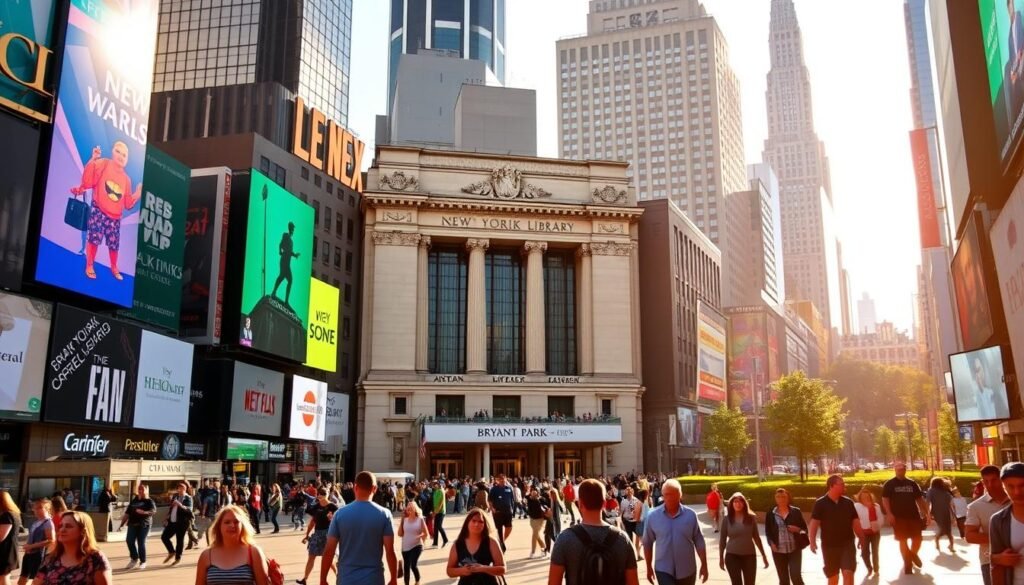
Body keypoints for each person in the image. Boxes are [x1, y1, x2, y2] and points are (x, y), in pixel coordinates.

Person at [70, 142, 142, 281]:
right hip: (99, 211)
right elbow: (88, 182)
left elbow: (127, 204)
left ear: (127, 160)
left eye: (124, 155)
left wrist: (138, 193)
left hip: (115, 218)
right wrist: (93, 159)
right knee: (93, 239)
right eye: (118, 151)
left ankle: (114, 267)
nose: (121, 156)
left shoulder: (127, 179)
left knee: (114, 245)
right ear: (112, 151)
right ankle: (89, 265)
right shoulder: (103, 164)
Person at [548, 478, 639, 585]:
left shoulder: (565, 539)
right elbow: (633, 582)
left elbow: (553, 582)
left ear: (580, 504)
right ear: (604, 504)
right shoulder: (623, 539)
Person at [320, 471, 398, 585]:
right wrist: (393, 578)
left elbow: (329, 551)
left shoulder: (339, 514)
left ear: (355, 487)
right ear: (374, 489)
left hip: (346, 579)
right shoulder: (384, 514)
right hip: (374, 579)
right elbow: (390, 551)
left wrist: (323, 579)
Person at [642, 478, 709, 585]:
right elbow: (647, 543)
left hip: (687, 569)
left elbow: (699, 540)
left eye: (674, 494)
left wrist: (704, 564)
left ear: (680, 495)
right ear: (662, 496)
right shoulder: (653, 517)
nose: (670, 498)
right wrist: (648, 567)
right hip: (663, 569)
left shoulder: (690, 515)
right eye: (667, 494)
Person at [195, 504, 270, 585]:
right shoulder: (206, 555)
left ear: (243, 525)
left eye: (236, 522)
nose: (232, 525)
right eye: (227, 522)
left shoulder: (254, 552)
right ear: (219, 527)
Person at [808, 475, 864, 585]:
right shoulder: (820, 503)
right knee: (833, 577)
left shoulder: (848, 503)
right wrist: (812, 541)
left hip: (847, 544)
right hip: (829, 546)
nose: (844, 486)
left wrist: (861, 537)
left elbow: (855, 521)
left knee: (848, 573)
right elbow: (814, 523)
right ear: (831, 486)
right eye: (841, 484)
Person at [34, 511, 112, 585]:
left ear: (83, 531)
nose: (62, 530)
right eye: (61, 526)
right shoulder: (50, 558)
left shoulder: (95, 559)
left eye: (68, 526)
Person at [966, 465, 1012, 585]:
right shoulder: (975, 507)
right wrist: (1000, 539)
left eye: (994, 480)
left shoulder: (1017, 501)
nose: (990, 485)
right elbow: (970, 536)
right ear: (982, 482)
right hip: (990, 560)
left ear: (1002, 480)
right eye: (986, 481)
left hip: (1018, 557)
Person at [882, 462, 930, 574]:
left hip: (913, 516)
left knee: (918, 539)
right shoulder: (889, 484)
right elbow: (885, 499)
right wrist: (889, 513)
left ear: (905, 470)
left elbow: (919, 499)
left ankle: (912, 555)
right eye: (898, 469)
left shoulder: (912, 483)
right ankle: (907, 564)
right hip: (898, 517)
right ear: (895, 470)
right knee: (903, 540)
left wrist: (927, 513)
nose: (901, 471)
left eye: (902, 469)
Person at [445, 508, 506, 585]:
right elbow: (449, 571)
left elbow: (502, 569)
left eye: (481, 522)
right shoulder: (458, 544)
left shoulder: (491, 542)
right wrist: (462, 571)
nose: (476, 524)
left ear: (485, 525)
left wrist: (483, 568)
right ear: (467, 522)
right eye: (473, 521)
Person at [718, 493, 768, 585]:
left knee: (750, 583)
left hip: (749, 556)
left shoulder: (751, 518)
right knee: (736, 583)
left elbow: (756, 537)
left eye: (741, 501)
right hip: (732, 556)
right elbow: (722, 539)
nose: (738, 504)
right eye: (735, 501)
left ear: (744, 503)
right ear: (731, 504)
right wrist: (721, 557)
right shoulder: (727, 519)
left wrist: (763, 555)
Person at [987, 462, 1024, 585]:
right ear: (1004, 487)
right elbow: (996, 564)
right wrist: (998, 559)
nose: (1017, 492)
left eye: (1022, 485)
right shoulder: (998, 521)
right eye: (1010, 486)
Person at [764, 488, 807, 585]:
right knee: (783, 579)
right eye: (778, 497)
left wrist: (798, 529)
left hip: (794, 549)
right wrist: (771, 543)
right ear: (775, 498)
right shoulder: (771, 513)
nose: (781, 499)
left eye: (783, 497)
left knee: (796, 576)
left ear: (788, 498)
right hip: (778, 550)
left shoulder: (796, 512)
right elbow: (768, 531)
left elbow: (805, 529)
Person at [297, 488, 339, 585]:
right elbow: (312, 521)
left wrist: (332, 519)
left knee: (327, 557)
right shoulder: (315, 507)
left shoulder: (333, 507)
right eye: (319, 493)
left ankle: (338, 574)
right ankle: (305, 579)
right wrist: (307, 535)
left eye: (323, 493)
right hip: (317, 534)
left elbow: (338, 522)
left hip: (328, 534)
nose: (320, 495)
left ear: (328, 494)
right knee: (311, 556)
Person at [19, 499, 55, 585]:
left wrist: (31, 546)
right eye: (34, 508)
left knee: (36, 581)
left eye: (39, 508)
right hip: (29, 554)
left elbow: (51, 540)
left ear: (47, 509)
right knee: (22, 579)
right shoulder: (36, 522)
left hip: (38, 556)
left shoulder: (48, 522)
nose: (35, 510)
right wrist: (28, 545)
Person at [162, 481, 194, 566]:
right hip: (172, 521)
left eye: (182, 488)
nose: (180, 490)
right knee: (164, 537)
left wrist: (179, 504)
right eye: (179, 488)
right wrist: (166, 517)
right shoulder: (175, 496)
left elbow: (188, 510)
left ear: (185, 489)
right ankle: (171, 552)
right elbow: (171, 508)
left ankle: (177, 558)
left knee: (179, 540)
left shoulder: (188, 498)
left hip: (182, 523)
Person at [853, 489, 883, 577]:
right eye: (863, 497)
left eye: (867, 496)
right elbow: (856, 520)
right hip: (863, 533)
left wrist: (876, 527)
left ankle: (876, 569)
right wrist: (858, 534)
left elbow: (881, 518)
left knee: (875, 551)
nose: (865, 498)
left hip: (875, 533)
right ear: (860, 498)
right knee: (864, 553)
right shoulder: (857, 506)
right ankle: (869, 567)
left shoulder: (876, 506)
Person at [398, 502, 428, 585]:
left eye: (411, 507)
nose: (409, 509)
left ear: (415, 509)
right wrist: (401, 520)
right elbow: (400, 534)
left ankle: (417, 581)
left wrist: (419, 536)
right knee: (406, 567)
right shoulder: (405, 520)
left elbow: (426, 533)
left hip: (417, 546)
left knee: (413, 565)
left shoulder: (420, 519)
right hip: (405, 547)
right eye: (408, 508)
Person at [272, 222, 301, 304]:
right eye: (292, 228)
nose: (293, 230)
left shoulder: (291, 242)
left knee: (288, 279)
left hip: (287, 262)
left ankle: (286, 301)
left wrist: (295, 255)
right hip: (284, 260)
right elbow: (280, 244)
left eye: (293, 229)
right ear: (290, 228)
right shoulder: (285, 235)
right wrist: (280, 251)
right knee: (282, 276)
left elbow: (290, 251)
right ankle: (274, 292)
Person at [927, 477, 956, 553]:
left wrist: (928, 515)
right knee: (943, 529)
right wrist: (928, 515)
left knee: (948, 530)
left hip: (940, 513)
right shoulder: (934, 491)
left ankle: (950, 545)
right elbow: (929, 503)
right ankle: (938, 541)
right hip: (941, 513)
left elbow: (928, 503)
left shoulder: (943, 492)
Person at [488, 474, 516, 553]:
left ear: (506, 479)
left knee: (509, 527)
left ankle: (502, 541)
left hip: (508, 512)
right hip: (498, 512)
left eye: (504, 479)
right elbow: (490, 500)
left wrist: (512, 509)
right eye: (500, 480)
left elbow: (512, 500)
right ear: (498, 480)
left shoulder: (509, 488)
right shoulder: (494, 489)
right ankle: (501, 546)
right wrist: (492, 508)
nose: (502, 481)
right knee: (499, 529)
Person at [0, 492, 20, 584]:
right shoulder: (14, 514)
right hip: (9, 551)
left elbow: (1, 536)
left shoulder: (6, 516)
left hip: (5, 553)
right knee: (4, 577)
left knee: (3, 577)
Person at [526, 487, 549, 559]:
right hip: (532, 519)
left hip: (539, 519)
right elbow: (526, 496)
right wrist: (529, 492)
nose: (533, 492)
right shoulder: (529, 499)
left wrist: (538, 499)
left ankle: (533, 552)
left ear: (538, 492)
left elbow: (546, 506)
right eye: (532, 491)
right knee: (537, 535)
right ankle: (545, 548)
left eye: (535, 491)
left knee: (534, 535)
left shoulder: (541, 499)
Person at [432, 481, 449, 548]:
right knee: (436, 528)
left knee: (439, 526)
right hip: (436, 511)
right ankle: (435, 543)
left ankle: (445, 540)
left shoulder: (440, 491)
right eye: (434, 484)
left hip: (441, 512)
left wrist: (435, 512)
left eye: (436, 484)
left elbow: (440, 503)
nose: (434, 485)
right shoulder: (435, 491)